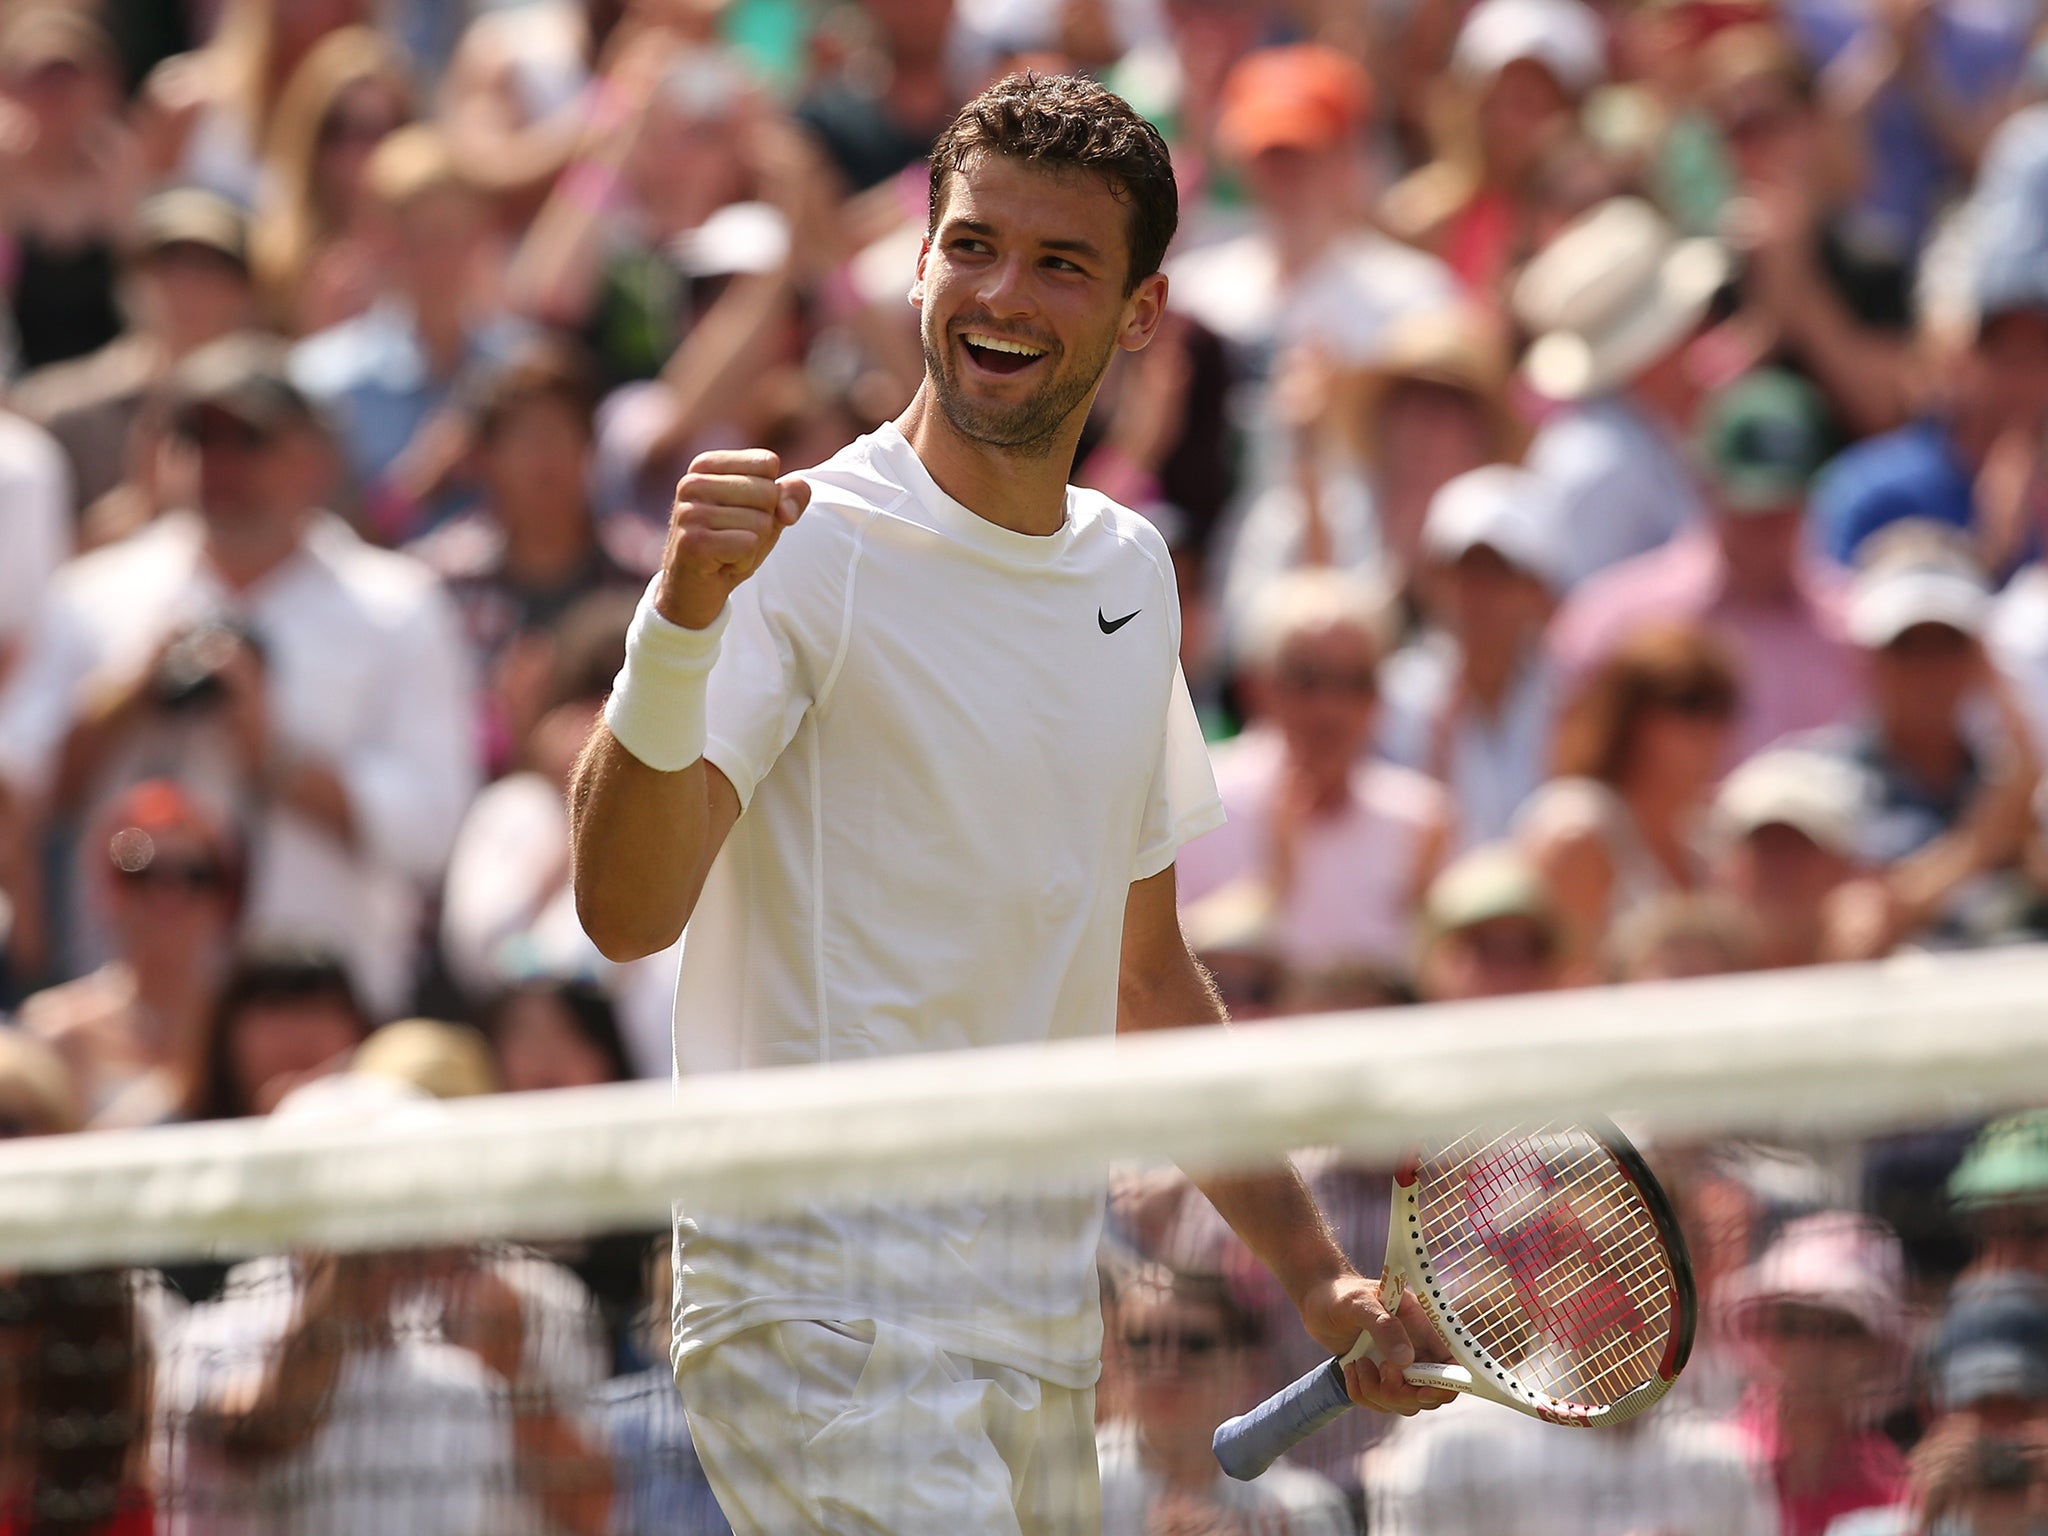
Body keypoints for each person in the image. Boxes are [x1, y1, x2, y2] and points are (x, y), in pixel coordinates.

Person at [568, 71, 1448, 1534]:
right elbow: (625, 909)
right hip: (822, 1310)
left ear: (1141, 313)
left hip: (1040, 1329)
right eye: (972, 244)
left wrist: (1316, 1278)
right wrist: (674, 634)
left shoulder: (1129, 576)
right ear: (921, 263)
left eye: (1060, 262)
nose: (1003, 291)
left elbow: (1147, 972)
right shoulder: (803, 551)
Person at [0, 332, 479, 1015]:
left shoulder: (396, 608)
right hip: (128, 1022)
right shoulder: (94, 596)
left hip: (324, 1018)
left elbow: (433, 829)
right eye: (197, 438)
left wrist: (276, 758)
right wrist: (122, 700)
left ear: (314, 459)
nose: (218, 465)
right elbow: (20, 794)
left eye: (247, 441)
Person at [1551, 368, 1865, 762]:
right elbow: (1574, 765)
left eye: (1785, 503)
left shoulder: (1856, 632)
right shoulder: (1615, 621)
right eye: (1750, 504)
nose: (1768, 524)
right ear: (1706, 486)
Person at [1178, 570, 1452, 982]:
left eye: (1353, 683)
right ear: (1259, 686)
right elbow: (1154, 970)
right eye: (1306, 679)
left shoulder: (1422, 821)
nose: (1329, 708)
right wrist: (1265, 894)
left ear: (1379, 698)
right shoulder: (1194, 800)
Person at [1513, 196, 1733, 590]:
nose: (1705, 327)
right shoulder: (1599, 464)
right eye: (1689, 322)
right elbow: (1594, 626)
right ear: (1652, 351)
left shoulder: (1639, 434)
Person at [17, 779, 243, 1128]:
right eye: (143, 873)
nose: (170, 896)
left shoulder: (244, 1024)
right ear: (110, 892)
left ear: (224, 898)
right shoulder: (60, 1031)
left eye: (196, 875)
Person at [1518, 622, 1741, 969]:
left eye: (1720, 707)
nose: (1709, 728)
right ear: (1630, 718)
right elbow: (1562, 980)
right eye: (1689, 703)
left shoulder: (1705, 836)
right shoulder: (1579, 831)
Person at [1378, 463, 1564, 847]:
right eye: (1463, 572)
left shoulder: (1570, 700)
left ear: (1536, 590)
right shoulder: (1392, 700)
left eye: (1500, 575)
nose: (1478, 595)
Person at [1096, 1266, 1352, 1536]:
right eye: (1142, 1341)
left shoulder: (1301, 1507)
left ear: (1247, 1368)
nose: (1165, 1366)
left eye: (1195, 1343)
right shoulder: (1083, 1480)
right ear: (1115, 1358)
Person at [1723, 1212, 1911, 1536]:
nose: (1810, 1352)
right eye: (1791, 1326)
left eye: (1838, 1329)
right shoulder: (1710, 1464)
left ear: (1877, 1349)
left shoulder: (1896, 1492)